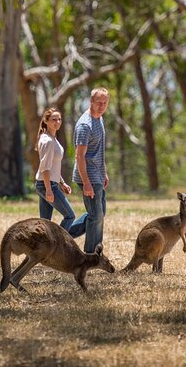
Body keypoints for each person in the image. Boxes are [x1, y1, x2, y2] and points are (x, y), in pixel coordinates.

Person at [68, 87, 110, 253]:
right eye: (98, 102)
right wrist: (86, 183)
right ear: (91, 101)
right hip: (88, 176)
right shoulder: (84, 125)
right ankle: (92, 255)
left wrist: (104, 171)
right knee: (96, 216)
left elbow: (99, 150)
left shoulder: (99, 119)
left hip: (97, 174)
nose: (101, 105)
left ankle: (61, 236)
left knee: (98, 214)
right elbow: (79, 157)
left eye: (105, 102)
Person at [34, 107, 77, 230]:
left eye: (59, 119)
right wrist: (49, 190)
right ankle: (59, 244)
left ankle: (43, 247)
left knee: (45, 223)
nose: (57, 122)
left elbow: (53, 167)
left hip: (48, 183)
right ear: (46, 121)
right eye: (54, 119)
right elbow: (45, 168)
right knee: (70, 216)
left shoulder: (52, 139)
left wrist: (62, 183)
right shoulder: (47, 141)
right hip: (47, 185)